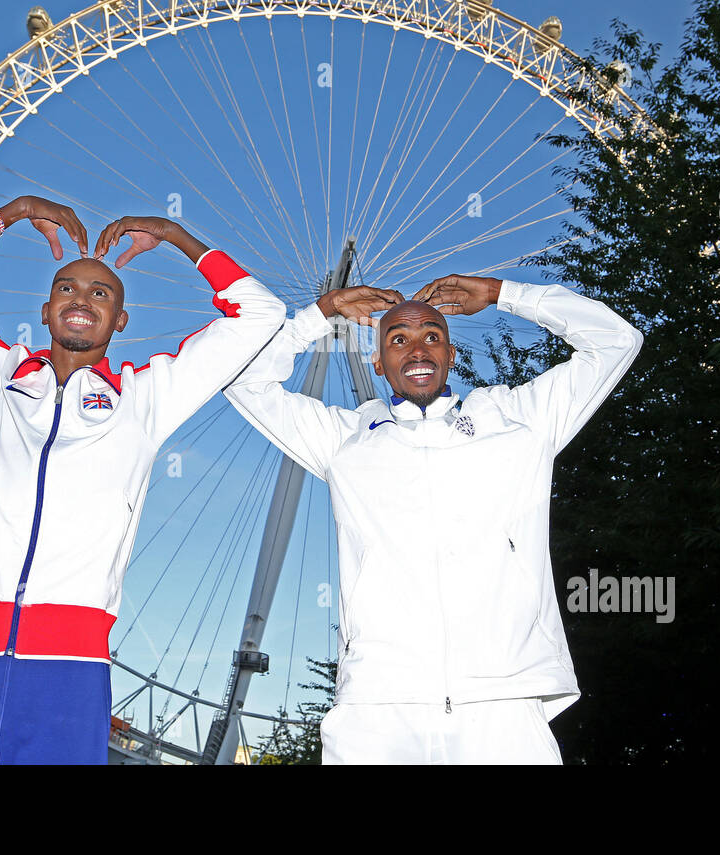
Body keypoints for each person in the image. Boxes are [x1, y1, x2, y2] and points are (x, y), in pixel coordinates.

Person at [0, 195, 285, 764]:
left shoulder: (147, 398)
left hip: (69, 664)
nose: (82, 298)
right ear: (45, 311)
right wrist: (10, 214)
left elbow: (260, 315)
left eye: (102, 293)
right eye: (67, 287)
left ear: (120, 321)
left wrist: (175, 234)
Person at [224, 273, 643, 764]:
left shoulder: (519, 420)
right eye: (397, 339)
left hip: (503, 704)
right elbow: (243, 379)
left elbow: (616, 340)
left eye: (432, 336)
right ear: (377, 363)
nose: (417, 349)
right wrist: (324, 311)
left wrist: (501, 294)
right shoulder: (344, 439)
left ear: (452, 355)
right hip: (377, 710)